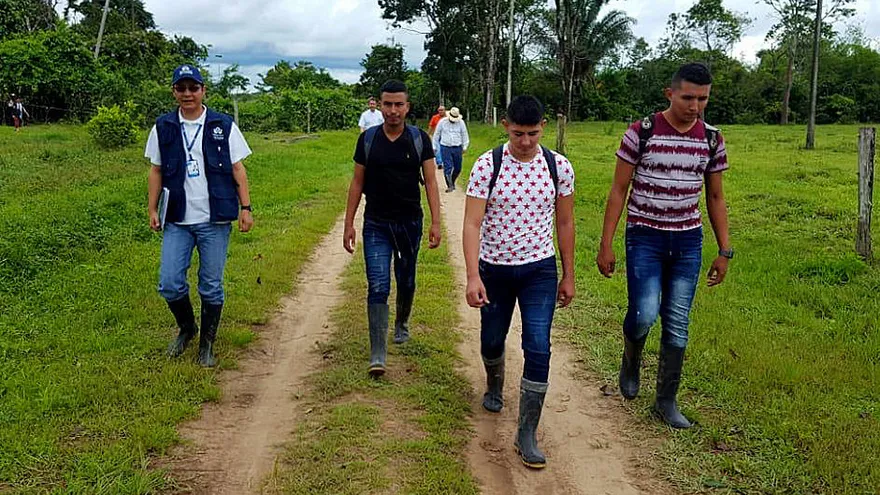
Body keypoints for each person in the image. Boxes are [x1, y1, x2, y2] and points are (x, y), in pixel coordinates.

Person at [596, 62, 732, 429]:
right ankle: (631, 357)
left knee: (677, 323)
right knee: (643, 315)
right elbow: (618, 190)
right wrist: (605, 244)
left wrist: (724, 250)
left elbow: (716, 197)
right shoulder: (641, 132)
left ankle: (666, 402)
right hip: (645, 237)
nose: (695, 105)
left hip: (688, 240)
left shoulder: (711, 139)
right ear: (670, 93)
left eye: (702, 98)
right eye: (688, 97)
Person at [463, 96, 576, 469]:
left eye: (532, 133)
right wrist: (472, 276)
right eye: (517, 133)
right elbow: (472, 223)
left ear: (543, 126)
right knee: (492, 339)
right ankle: (494, 383)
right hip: (494, 269)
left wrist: (568, 274)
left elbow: (565, 222)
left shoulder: (558, 167)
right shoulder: (487, 166)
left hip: (539, 271)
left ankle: (526, 431)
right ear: (505, 126)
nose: (525, 141)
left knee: (538, 346)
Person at [145, 64, 255, 368]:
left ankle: (207, 343)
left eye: (193, 88)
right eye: (181, 88)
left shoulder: (223, 124)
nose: (187, 94)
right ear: (174, 92)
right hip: (178, 220)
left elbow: (238, 169)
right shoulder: (163, 127)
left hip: (214, 220)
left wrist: (245, 208)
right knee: (169, 283)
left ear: (203, 90)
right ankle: (187, 329)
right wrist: (152, 209)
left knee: (210, 285)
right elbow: (155, 170)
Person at [344, 80, 442, 377]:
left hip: (410, 222)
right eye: (387, 104)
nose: (393, 110)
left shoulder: (419, 139)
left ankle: (401, 322)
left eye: (399, 104)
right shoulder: (368, 140)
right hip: (376, 223)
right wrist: (349, 222)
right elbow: (357, 182)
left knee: (406, 280)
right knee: (378, 284)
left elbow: (432, 183)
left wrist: (436, 222)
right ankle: (378, 353)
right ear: (379, 106)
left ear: (407, 107)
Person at [432, 107, 470, 193]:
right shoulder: (442, 122)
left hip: (457, 147)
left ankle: (452, 182)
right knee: (448, 166)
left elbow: (465, 135)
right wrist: (434, 147)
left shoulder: (461, 123)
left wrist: (465, 147)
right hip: (445, 147)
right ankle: (449, 186)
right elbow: (436, 135)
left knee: (458, 167)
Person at [428, 105, 446, 170]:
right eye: (439, 110)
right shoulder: (434, 117)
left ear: (445, 111)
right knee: (437, 149)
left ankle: (445, 162)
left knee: (444, 149)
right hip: (436, 136)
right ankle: (440, 163)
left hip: (445, 136)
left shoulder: (448, 117)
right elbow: (431, 126)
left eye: (442, 110)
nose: (441, 111)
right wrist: (429, 134)